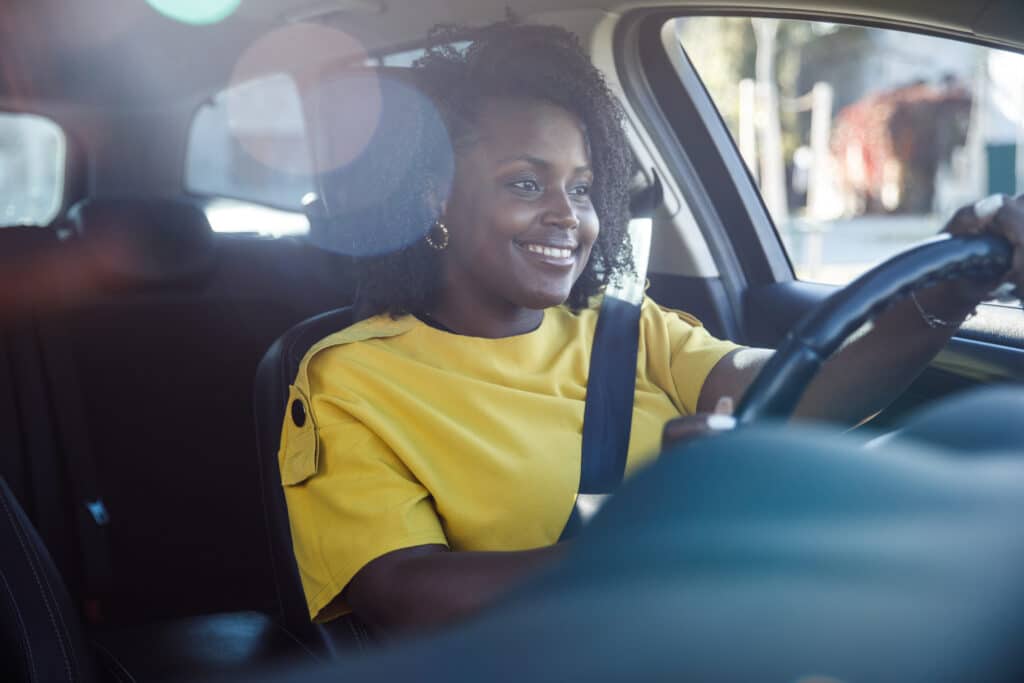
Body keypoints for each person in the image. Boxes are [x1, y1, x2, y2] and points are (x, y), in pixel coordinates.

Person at [278, 22, 1024, 637]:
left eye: (581, 187)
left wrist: (946, 297)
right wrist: (657, 530)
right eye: (525, 183)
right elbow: (405, 597)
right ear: (434, 197)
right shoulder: (349, 378)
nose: (567, 216)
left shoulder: (627, 330)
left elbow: (804, 388)